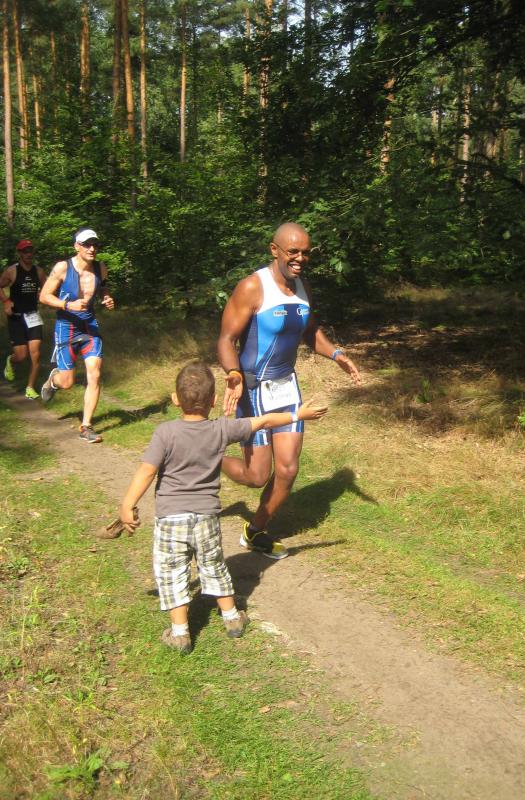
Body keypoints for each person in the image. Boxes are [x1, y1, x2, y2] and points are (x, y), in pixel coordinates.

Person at [119, 360, 327, 654]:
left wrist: (128, 504)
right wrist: (298, 414)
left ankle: (180, 633)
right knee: (214, 565)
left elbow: (146, 471)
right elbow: (264, 422)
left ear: (175, 399)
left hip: (171, 519)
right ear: (214, 400)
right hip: (206, 517)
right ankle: (231, 618)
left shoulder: (164, 433)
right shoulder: (221, 429)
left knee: (173, 571)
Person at [217, 221, 361, 561]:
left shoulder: (301, 287)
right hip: (253, 389)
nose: (300, 259)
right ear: (275, 250)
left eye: (305, 253)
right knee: (256, 476)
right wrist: (234, 373)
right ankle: (210, 456)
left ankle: (255, 531)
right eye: (293, 252)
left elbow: (309, 332)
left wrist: (337, 354)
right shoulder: (253, 287)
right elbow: (226, 339)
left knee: (288, 469)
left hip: (286, 387)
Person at [39, 227, 115, 443]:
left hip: (89, 326)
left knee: (95, 373)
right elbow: (44, 296)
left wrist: (107, 298)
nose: (92, 249)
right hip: (66, 326)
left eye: (95, 245)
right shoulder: (63, 267)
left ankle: (86, 426)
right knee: (67, 382)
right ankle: (53, 380)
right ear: (76, 246)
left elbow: (103, 287)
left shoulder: (101, 268)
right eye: (87, 244)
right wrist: (67, 304)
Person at [0, 239, 47, 399]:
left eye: (30, 251)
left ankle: (30, 387)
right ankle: (10, 360)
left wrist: (43, 295)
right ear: (19, 253)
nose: (29, 254)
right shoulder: (12, 271)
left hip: (33, 315)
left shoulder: (39, 271)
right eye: (25, 251)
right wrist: (6, 301)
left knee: (36, 354)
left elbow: (47, 288)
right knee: (21, 356)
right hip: (16, 318)